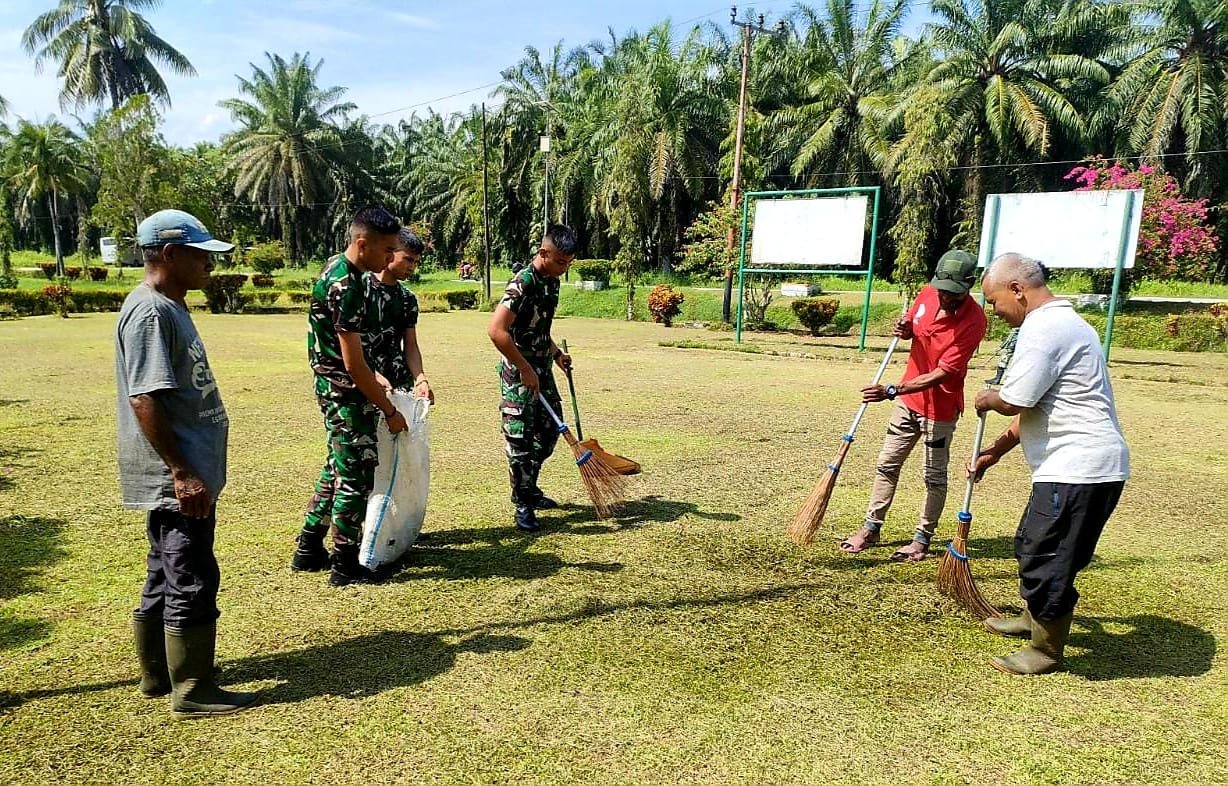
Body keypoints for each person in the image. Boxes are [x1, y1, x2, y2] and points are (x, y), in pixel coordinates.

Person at [116, 209, 259, 718]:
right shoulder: (151, 313)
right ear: (170, 254)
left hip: (187, 472)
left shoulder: (169, 305)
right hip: (178, 478)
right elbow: (144, 398)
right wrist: (181, 471)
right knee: (191, 574)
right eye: (201, 256)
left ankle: (158, 673)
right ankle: (193, 688)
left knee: (165, 569)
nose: (210, 266)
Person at [969, 253, 1129, 675]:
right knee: (1030, 543)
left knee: (1047, 558)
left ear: (1017, 289)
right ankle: (1033, 617)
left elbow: (1014, 401)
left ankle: (1046, 650)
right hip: (1072, 468)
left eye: (994, 300)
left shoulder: (1045, 329)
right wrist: (995, 451)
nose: (994, 311)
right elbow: (1037, 406)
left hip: (1079, 469)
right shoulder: (1064, 324)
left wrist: (988, 398)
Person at [840, 249, 987, 561]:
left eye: (952, 293)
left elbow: (943, 373)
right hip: (907, 404)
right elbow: (913, 326)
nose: (944, 297)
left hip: (940, 410)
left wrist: (892, 390)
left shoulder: (975, 321)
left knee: (933, 476)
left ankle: (922, 539)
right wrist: (905, 329)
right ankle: (871, 528)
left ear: (969, 285)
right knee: (887, 465)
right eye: (941, 290)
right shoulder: (928, 293)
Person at [292, 207, 408, 586]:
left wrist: (375, 377)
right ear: (362, 243)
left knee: (336, 467)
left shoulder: (338, 269)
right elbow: (354, 365)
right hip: (345, 393)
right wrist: (389, 410)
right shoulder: (348, 285)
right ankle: (345, 564)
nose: (390, 257)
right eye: (387, 249)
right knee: (356, 477)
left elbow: (353, 354)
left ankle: (309, 547)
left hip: (336, 387)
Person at [486, 224, 578, 532]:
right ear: (543, 253)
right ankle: (523, 502)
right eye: (560, 261)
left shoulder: (552, 282)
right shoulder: (523, 282)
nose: (564, 268)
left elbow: (537, 328)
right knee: (520, 437)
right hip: (518, 373)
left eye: (568, 263)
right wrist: (524, 368)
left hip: (542, 368)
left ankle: (529, 485)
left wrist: (556, 354)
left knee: (551, 430)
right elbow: (496, 331)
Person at [367, 227, 434, 404]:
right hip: (365, 383)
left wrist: (420, 379)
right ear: (390, 253)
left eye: (416, 262)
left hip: (399, 387)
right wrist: (372, 376)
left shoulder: (407, 299)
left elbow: (410, 345)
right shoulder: (361, 291)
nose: (412, 267)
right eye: (408, 259)